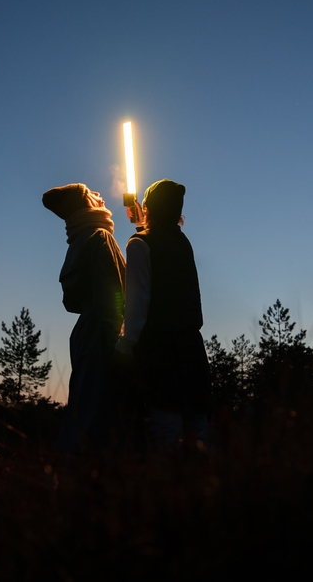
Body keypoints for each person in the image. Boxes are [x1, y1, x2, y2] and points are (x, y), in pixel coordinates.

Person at [115, 179, 211, 449]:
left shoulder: (138, 244)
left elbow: (138, 303)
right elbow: (160, 242)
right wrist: (143, 221)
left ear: (148, 208)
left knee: (166, 431)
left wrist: (124, 346)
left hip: (160, 351)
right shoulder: (183, 242)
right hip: (192, 350)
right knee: (198, 433)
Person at [42, 183, 127, 454]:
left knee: (84, 405)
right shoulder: (100, 237)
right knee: (104, 412)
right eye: (92, 193)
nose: (100, 195)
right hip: (104, 333)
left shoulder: (77, 244)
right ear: (87, 205)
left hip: (84, 334)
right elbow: (113, 294)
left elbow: (71, 302)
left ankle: (70, 472)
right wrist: (121, 342)